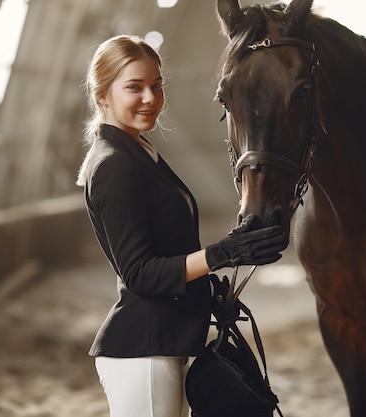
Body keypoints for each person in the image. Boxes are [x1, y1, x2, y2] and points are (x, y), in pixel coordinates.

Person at [76, 34, 288, 417]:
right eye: (134, 87)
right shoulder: (114, 165)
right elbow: (139, 272)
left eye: (157, 86)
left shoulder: (138, 150)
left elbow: (167, 250)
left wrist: (212, 285)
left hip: (168, 343)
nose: (150, 98)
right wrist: (222, 254)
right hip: (144, 351)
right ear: (102, 94)